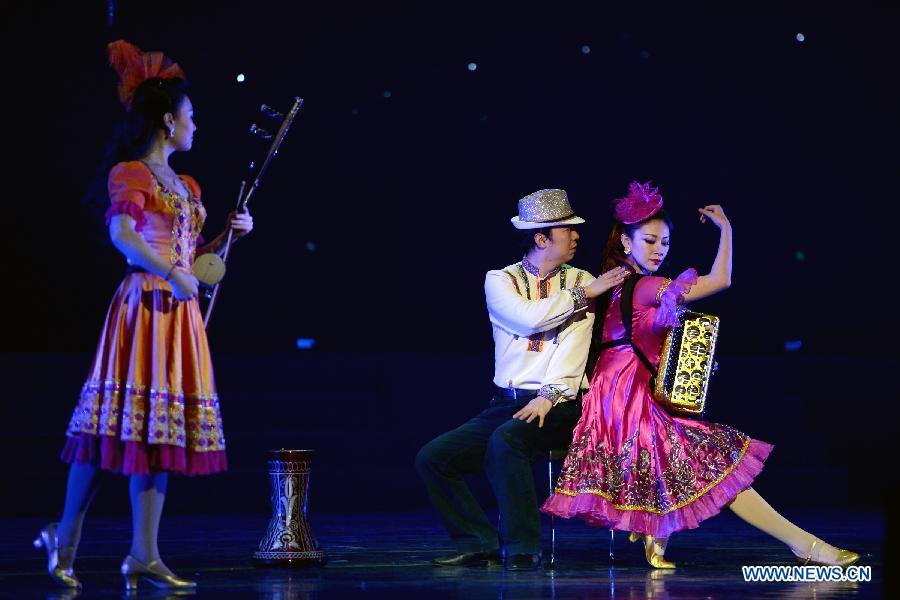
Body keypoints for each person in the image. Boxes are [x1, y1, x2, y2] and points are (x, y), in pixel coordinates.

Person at [541, 181, 859, 568]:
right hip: (626, 398)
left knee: (677, 462)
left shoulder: (615, 283)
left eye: (665, 243)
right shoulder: (647, 286)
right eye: (651, 241)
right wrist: (727, 231)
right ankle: (807, 546)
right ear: (627, 242)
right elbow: (720, 280)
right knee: (715, 465)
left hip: (613, 394)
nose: (659, 250)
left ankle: (657, 537)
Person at [33, 40, 253, 591]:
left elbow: (195, 261)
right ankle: (65, 537)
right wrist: (168, 272)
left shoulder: (190, 185)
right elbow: (123, 235)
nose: (195, 125)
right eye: (191, 116)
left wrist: (230, 236)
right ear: (167, 120)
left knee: (157, 434)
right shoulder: (130, 174)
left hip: (177, 314)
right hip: (143, 311)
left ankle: (144, 554)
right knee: (110, 431)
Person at [415, 189, 631, 570]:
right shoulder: (499, 280)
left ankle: (522, 548)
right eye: (568, 230)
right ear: (541, 238)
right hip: (507, 401)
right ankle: (477, 540)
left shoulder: (581, 279)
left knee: (507, 441)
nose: (577, 236)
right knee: (434, 457)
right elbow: (527, 318)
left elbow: (574, 347)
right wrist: (581, 296)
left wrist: (549, 395)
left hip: (561, 402)